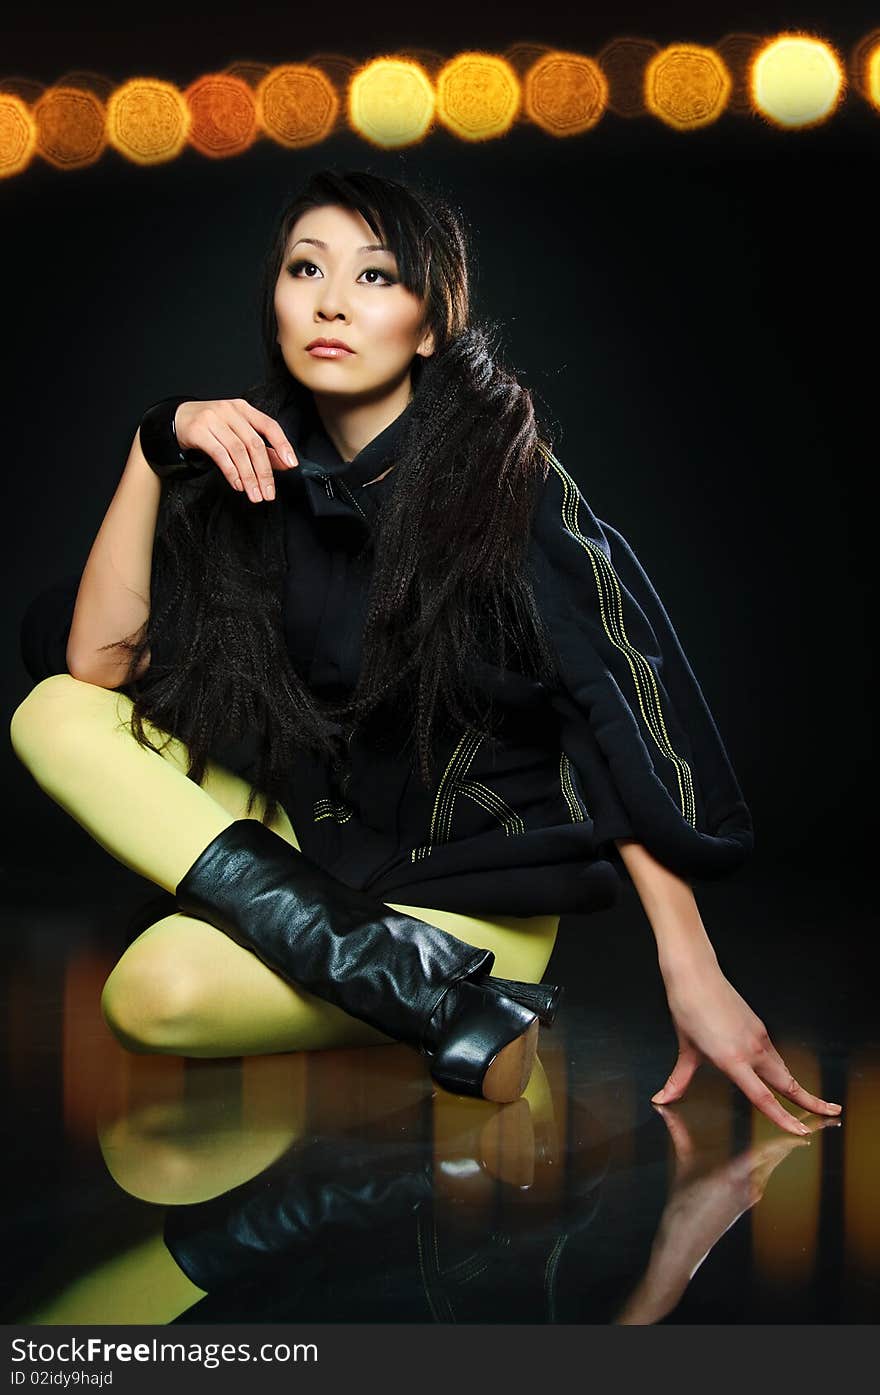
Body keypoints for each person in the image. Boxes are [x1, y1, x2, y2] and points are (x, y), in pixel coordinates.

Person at [10, 168, 841, 1128]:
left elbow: (604, 709)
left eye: (375, 277)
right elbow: (100, 665)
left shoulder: (503, 483)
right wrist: (155, 441)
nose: (330, 301)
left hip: (472, 902)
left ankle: (449, 985)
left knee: (155, 993)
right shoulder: (255, 469)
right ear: (274, 301)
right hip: (326, 856)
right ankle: (442, 1004)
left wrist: (690, 965)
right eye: (304, 268)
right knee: (57, 714)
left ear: (433, 322)